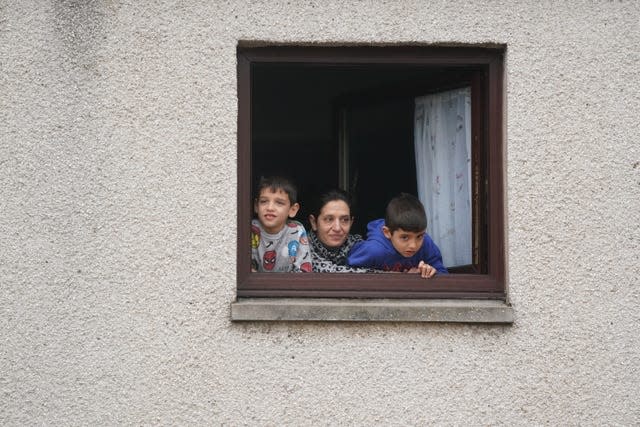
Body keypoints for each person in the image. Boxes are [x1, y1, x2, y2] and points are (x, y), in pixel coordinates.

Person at [347, 193, 447, 278]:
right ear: (387, 233)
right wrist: (398, 277)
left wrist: (430, 273)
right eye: (405, 237)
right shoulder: (373, 250)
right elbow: (348, 272)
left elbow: (444, 276)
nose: (413, 245)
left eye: (419, 236)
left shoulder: (426, 243)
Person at [251, 176, 312, 272]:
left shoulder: (296, 231)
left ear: (292, 210)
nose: (270, 207)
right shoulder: (251, 229)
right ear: (256, 206)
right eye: (264, 201)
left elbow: (303, 272)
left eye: (279, 203)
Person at [307, 189, 371, 273]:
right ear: (314, 222)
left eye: (344, 220)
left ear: (351, 223)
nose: (337, 228)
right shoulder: (301, 251)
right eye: (329, 219)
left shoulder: (360, 248)